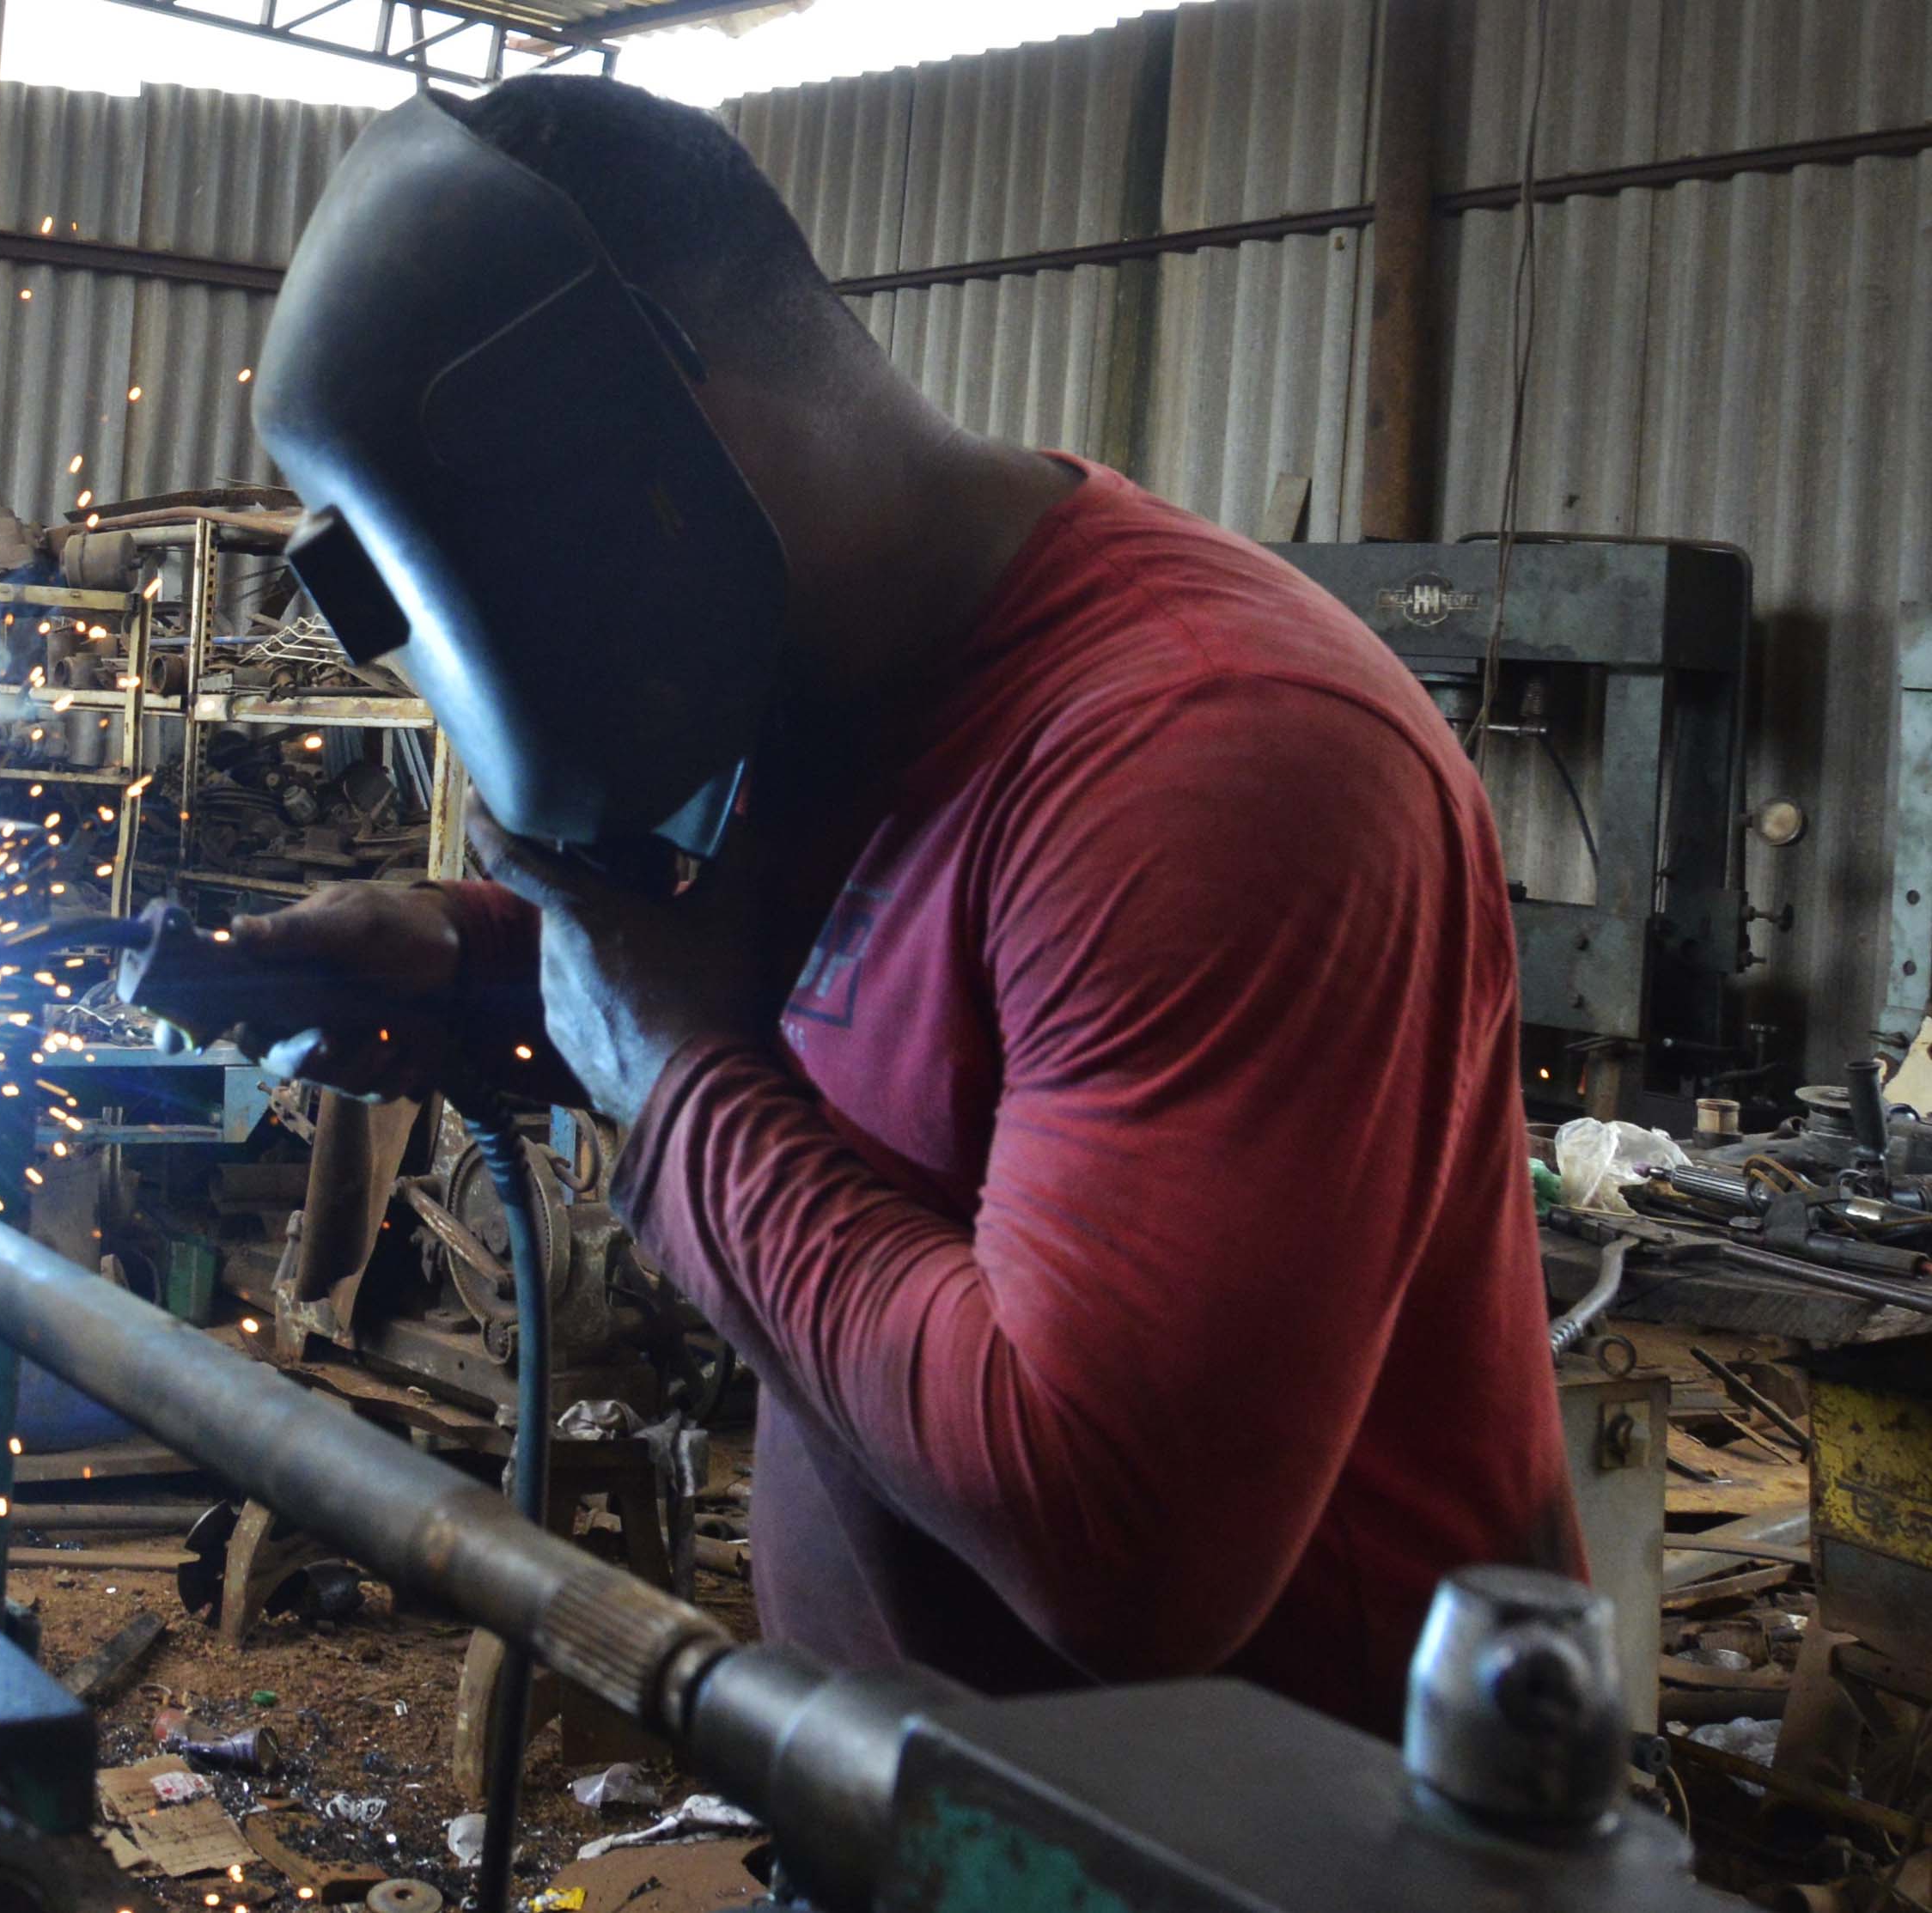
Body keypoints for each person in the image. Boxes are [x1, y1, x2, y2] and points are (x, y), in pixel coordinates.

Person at [218, 74, 1579, 1734]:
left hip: (1274, 1854)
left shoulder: (1214, 762)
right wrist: (478, 973)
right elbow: (791, 1015)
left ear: (619, 437)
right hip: (938, 1812)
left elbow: (1111, 1540)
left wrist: (672, 1094)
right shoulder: (832, 687)